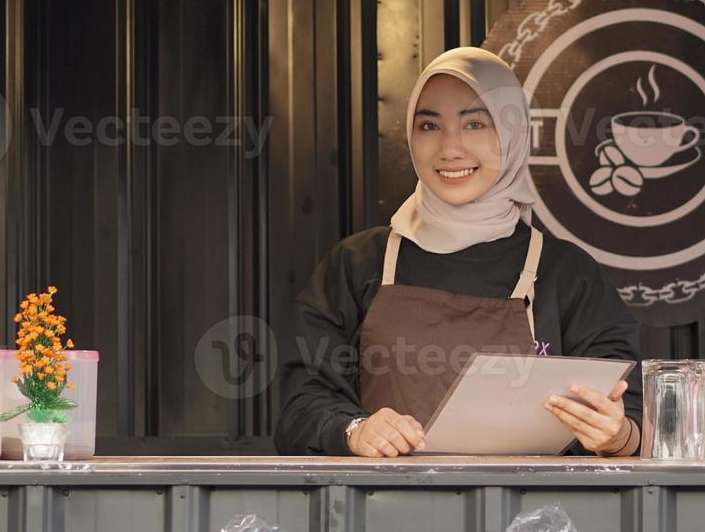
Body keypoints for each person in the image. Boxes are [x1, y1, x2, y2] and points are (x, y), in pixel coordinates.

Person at [274, 47, 642, 458]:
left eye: (475, 124)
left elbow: (632, 408)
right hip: (379, 514)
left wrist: (618, 436)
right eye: (429, 125)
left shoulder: (566, 274)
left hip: (530, 519)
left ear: (513, 132)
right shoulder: (357, 264)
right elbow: (300, 404)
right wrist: (353, 429)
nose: (450, 149)